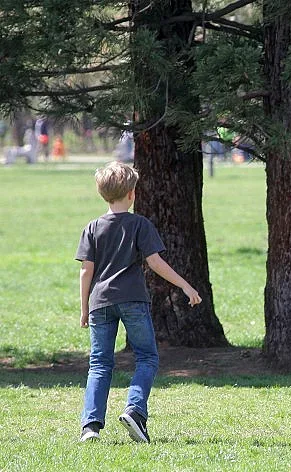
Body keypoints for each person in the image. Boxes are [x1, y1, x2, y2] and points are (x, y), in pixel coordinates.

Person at [75, 162, 202, 443]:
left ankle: (90, 426)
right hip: (133, 299)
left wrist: (84, 308)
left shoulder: (92, 228)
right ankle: (134, 410)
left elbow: (86, 271)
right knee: (147, 357)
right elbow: (155, 262)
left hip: (100, 302)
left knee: (99, 363)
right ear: (131, 194)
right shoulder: (140, 224)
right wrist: (185, 285)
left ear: (102, 194)